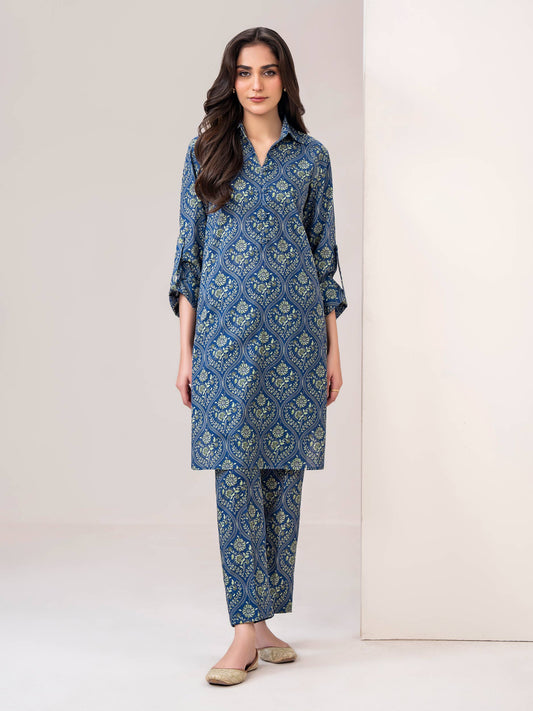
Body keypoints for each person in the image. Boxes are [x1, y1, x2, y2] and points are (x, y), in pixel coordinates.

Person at [169, 27, 348, 686]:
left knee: (281, 477)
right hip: (224, 344)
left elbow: (325, 259)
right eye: (244, 72)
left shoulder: (312, 158)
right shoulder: (206, 153)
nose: (256, 84)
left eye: (268, 71)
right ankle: (243, 630)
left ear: (284, 80)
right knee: (235, 475)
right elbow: (189, 260)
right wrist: (185, 353)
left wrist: (333, 349)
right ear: (232, 80)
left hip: (296, 342)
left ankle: (264, 621)